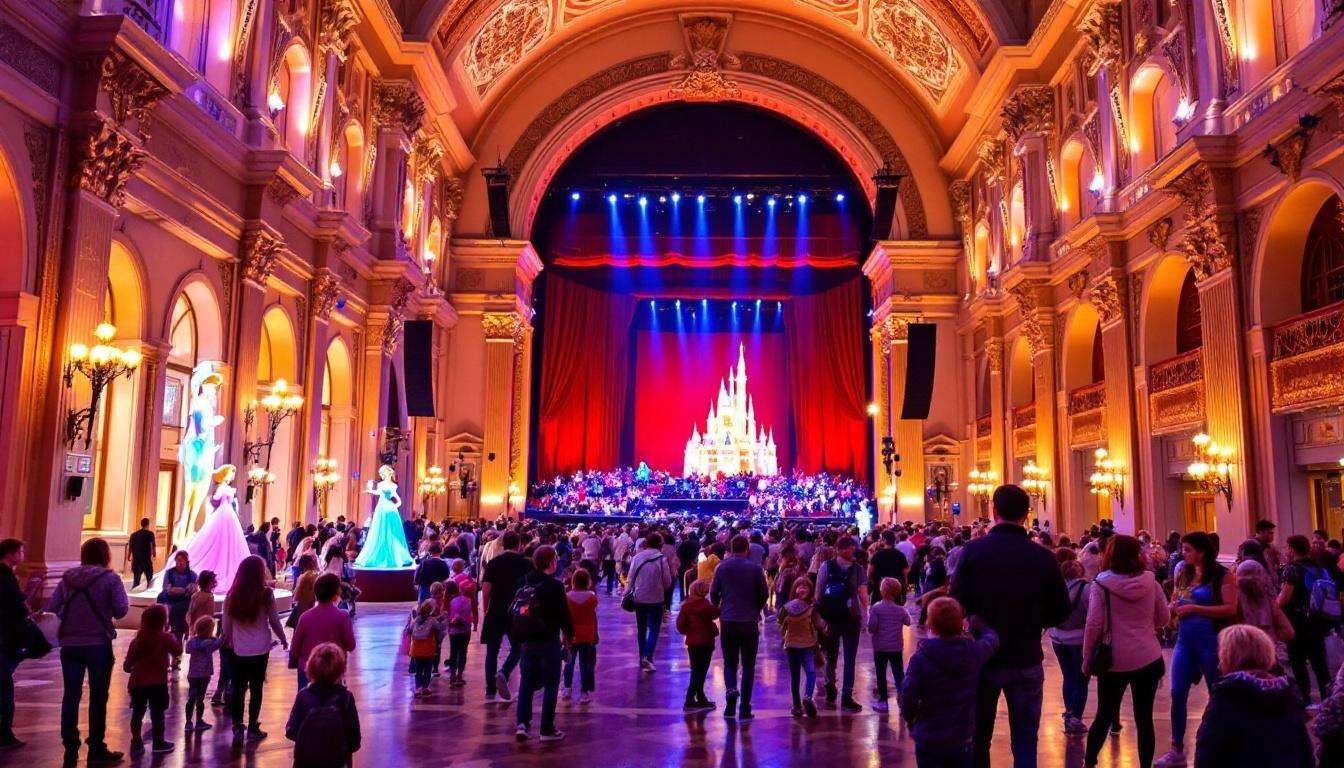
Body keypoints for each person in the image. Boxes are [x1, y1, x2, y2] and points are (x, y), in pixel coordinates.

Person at [949, 485, 1070, 768]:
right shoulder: (1042, 557)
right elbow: (1062, 609)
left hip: (982, 658)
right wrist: (1035, 623)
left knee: (979, 737)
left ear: (993, 510)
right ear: (1027, 514)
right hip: (1026, 657)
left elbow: (955, 603)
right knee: (1026, 740)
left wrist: (975, 622)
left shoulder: (974, 551)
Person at [1082, 535, 1170, 768]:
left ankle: (1089, 762)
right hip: (1148, 656)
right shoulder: (1151, 581)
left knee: (1104, 715)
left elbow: (1094, 625)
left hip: (1114, 659)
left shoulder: (1101, 584)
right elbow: (1163, 618)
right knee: (1144, 718)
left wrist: (1087, 656)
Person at [1154, 531, 1238, 768]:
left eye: (1188, 549)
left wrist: (1196, 609)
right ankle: (1176, 747)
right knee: (1177, 692)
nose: (1183, 553)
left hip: (1210, 639)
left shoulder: (1222, 575)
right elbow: (1176, 597)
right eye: (1183, 549)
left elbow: (1230, 608)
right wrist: (1173, 607)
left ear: (1202, 551)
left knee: (1217, 691)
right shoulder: (1183, 571)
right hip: (1185, 639)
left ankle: (1221, 741)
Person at [46, 537, 129, 763]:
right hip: (98, 644)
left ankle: (70, 743)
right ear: (106, 555)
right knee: (99, 696)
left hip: (70, 644)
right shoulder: (110, 578)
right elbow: (122, 610)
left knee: (71, 695)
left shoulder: (67, 578)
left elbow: (52, 608)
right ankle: (96, 746)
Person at [1193, 625, 1314, 767]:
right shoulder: (1287, 693)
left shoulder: (1226, 696)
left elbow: (1206, 753)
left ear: (1228, 656)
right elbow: (1305, 751)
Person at [900, 597, 1000, 768]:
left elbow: (908, 696)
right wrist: (977, 622)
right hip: (961, 739)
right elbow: (992, 640)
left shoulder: (920, 658)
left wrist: (911, 720)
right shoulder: (972, 653)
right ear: (960, 625)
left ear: (931, 625)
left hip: (929, 736)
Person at [221, 554, 288, 745]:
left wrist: (228, 641)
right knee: (257, 688)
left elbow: (226, 625)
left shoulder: (232, 595)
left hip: (238, 649)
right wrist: (283, 638)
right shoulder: (266, 594)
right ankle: (252, 726)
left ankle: (236, 727)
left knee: (238, 687)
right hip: (260, 648)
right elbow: (274, 620)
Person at [513, 546, 572, 743]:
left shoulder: (523, 581)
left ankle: (522, 724)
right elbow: (564, 614)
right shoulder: (555, 586)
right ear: (551, 562)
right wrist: (569, 635)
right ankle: (546, 728)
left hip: (527, 640)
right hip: (549, 640)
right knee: (551, 684)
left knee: (526, 683)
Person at [710, 534, 768, 721]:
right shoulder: (755, 568)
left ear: (731, 548)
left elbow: (713, 592)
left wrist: (721, 607)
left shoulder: (722, 567)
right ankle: (744, 708)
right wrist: (756, 609)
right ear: (747, 550)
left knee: (730, 662)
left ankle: (730, 699)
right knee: (749, 665)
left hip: (728, 620)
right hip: (749, 621)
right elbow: (764, 593)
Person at [1277, 533, 1335, 706]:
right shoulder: (1318, 567)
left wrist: (1274, 606)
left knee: (1298, 661)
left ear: (1292, 549)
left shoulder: (1292, 569)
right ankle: (1328, 699)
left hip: (1298, 621)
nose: (1286, 551)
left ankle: (1306, 698)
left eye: (1287, 547)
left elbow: (1284, 599)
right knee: (1320, 662)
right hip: (1318, 621)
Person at [815, 535, 869, 712]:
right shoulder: (858, 570)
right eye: (852, 548)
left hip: (831, 616)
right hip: (850, 616)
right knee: (849, 658)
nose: (854, 551)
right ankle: (846, 696)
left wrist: (820, 615)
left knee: (831, 656)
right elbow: (863, 596)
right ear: (843, 549)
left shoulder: (826, 566)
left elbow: (818, 592)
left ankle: (832, 687)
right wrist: (866, 613)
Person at [286, 643, 361, 768]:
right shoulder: (346, 697)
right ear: (340, 670)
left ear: (311, 668)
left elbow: (291, 731)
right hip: (338, 761)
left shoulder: (303, 696)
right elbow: (354, 740)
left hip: (306, 761)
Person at [122, 603, 181, 755]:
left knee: (137, 713)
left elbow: (127, 666)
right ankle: (158, 742)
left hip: (138, 683)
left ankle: (136, 741)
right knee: (158, 714)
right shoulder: (165, 638)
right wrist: (171, 634)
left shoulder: (137, 641)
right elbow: (178, 650)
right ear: (164, 621)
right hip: (158, 683)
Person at [0, 538, 42, 749]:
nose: (23, 555)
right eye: (21, 551)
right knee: (4, 684)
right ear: (11, 553)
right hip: (5, 635)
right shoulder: (5, 576)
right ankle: (4, 732)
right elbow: (12, 603)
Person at [289, 573, 356, 691]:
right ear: (336, 593)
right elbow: (351, 645)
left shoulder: (305, 617)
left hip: (308, 670)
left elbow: (295, 648)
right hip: (333, 671)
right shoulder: (342, 617)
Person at [1050, 558, 1090, 734]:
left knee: (1068, 676)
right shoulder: (1085, 589)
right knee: (1081, 678)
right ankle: (1076, 718)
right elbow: (1092, 614)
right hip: (1079, 639)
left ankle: (1069, 711)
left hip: (1058, 638)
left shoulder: (1057, 588)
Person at [624, 533, 673, 673]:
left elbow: (630, 577)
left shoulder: (637, 557)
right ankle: (647, 656)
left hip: (639, 597)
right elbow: (667, 581)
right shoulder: (661, 559)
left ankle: (642, 658)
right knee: (654, 629)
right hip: (656, 599)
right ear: (660, 544)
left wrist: (627, 592)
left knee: (641, 629)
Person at [778, 575, 825, 718]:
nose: (803, 588)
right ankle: (807, 697)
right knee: (810, 672)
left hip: (791, 645)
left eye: (806, 586)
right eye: (801, 586)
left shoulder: (786, 608)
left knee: (795, 676)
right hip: (807, 645)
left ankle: (797, 705)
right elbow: (820, 625)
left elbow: (780, 624)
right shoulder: (812, 608)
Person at [868, 576, 912, 713]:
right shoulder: (900, 610)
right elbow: (908, 622)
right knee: (898, 673)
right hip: (896, 646)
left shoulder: (876, 608)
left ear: (882, 591)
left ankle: (883, 702)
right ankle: (903, 698)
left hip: (880, 647)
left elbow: (872, 627)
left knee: (881, 674)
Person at [675, 579, 719, 712]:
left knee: (696, 670)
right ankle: (689, 699)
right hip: (706, 641)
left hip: (692, 642)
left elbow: (680, 625)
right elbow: (715, 614)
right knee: (701, 671)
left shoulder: (686, 605)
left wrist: (689, 632)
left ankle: (701, 698)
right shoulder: (705, 605)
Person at [561, 568, 598, 703]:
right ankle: (584, 692)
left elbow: (564, 618)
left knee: (569, 663)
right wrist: (595, 634)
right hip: (587, 635)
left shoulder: (567, 597)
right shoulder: (592, 598)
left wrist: (563, 636)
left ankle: (567, 688)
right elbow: (593, 617)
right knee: (585, 664)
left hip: (571, 635)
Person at [183, 615, 223, 734]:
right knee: (200, 699)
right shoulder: (209, 642)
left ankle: (188, 722)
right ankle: (199, 721)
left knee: (191, 697)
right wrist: (222, 634)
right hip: (204, 674)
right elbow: (218, 643)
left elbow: (187, 649)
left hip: (193, 674)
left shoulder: (192, 641)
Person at [156, 550, 197, 659]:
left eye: (182, 561)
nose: (179, 563)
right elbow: (166, 588)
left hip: (184, 605)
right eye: (177, 560)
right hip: (170, 603)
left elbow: (191, 590)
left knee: (179, 631)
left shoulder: (192, 575)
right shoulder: (169, 573)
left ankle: (176, 656)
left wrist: (179, 590)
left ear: (186, 561)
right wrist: (179, 590)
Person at [405, 599, 446, 697]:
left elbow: (409, 630)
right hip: (428, 649)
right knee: (427, 670)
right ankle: (425, 688)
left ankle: (418, 688)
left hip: (416, 650)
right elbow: (440, 629)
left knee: (418, 671)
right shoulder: (432, 620)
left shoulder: (415, 620)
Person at [444, 580, 473, 686]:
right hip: (465, 630)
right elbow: (470, 615)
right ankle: (460, 676)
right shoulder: (468, 600)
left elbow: (448, 616)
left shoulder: (449, 601)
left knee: (453, 652)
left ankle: (452, 676)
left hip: (453, 631)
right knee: (463, 653)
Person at [126, 519, 156, 590]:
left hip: (136, 560)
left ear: (141, 524)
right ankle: (148, 590)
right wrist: (154, 554)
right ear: (148, 524)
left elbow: (130, 546)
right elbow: (152, 545)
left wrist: (129, 555)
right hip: (146, 560)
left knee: (136, 579)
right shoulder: (150, 534)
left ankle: (134, 591)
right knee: (149, 578)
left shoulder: (134, 534)